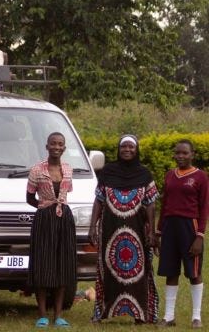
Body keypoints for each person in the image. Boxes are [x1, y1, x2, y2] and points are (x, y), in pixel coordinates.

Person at [88, 135, 159, 324]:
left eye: (131, 147)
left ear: (137, 150)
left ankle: (140, 314)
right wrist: (92, 226)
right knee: (108, 269)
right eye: (123, 147)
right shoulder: (108, 172)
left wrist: (152, 231)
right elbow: (99, 200)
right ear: (118, 150)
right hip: (110, 230)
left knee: (140, 271)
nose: (127, 150)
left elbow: (151, 205)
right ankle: (103, 312)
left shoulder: (145, 174)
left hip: (138, 232)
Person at [26, 132, 76, 328]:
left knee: (62, 263)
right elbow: (29, 197)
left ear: (64, 148)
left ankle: (58, 315)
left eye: (60, 144)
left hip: (64, 218)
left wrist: (57, 206)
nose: (56, 147)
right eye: (53, 144)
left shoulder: (68, 169)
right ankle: (42, 314)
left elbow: (66, 192)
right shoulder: (37, 170)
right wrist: (45, 206)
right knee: (43, 263)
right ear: (47, 146)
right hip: (44, 218)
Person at [157, 139, 208, 329]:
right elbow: (165, 206)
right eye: (178, 153)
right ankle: (169, 317)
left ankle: (196, 317)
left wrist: (200, 236)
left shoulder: (201, 177)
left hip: (190, 227)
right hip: (170, 227)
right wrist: (159, 232)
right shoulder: (170, 175)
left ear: (192, 154)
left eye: (185, 153)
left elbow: (204, 208)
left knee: (194, 273)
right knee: (171, 271)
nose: (180, 156)